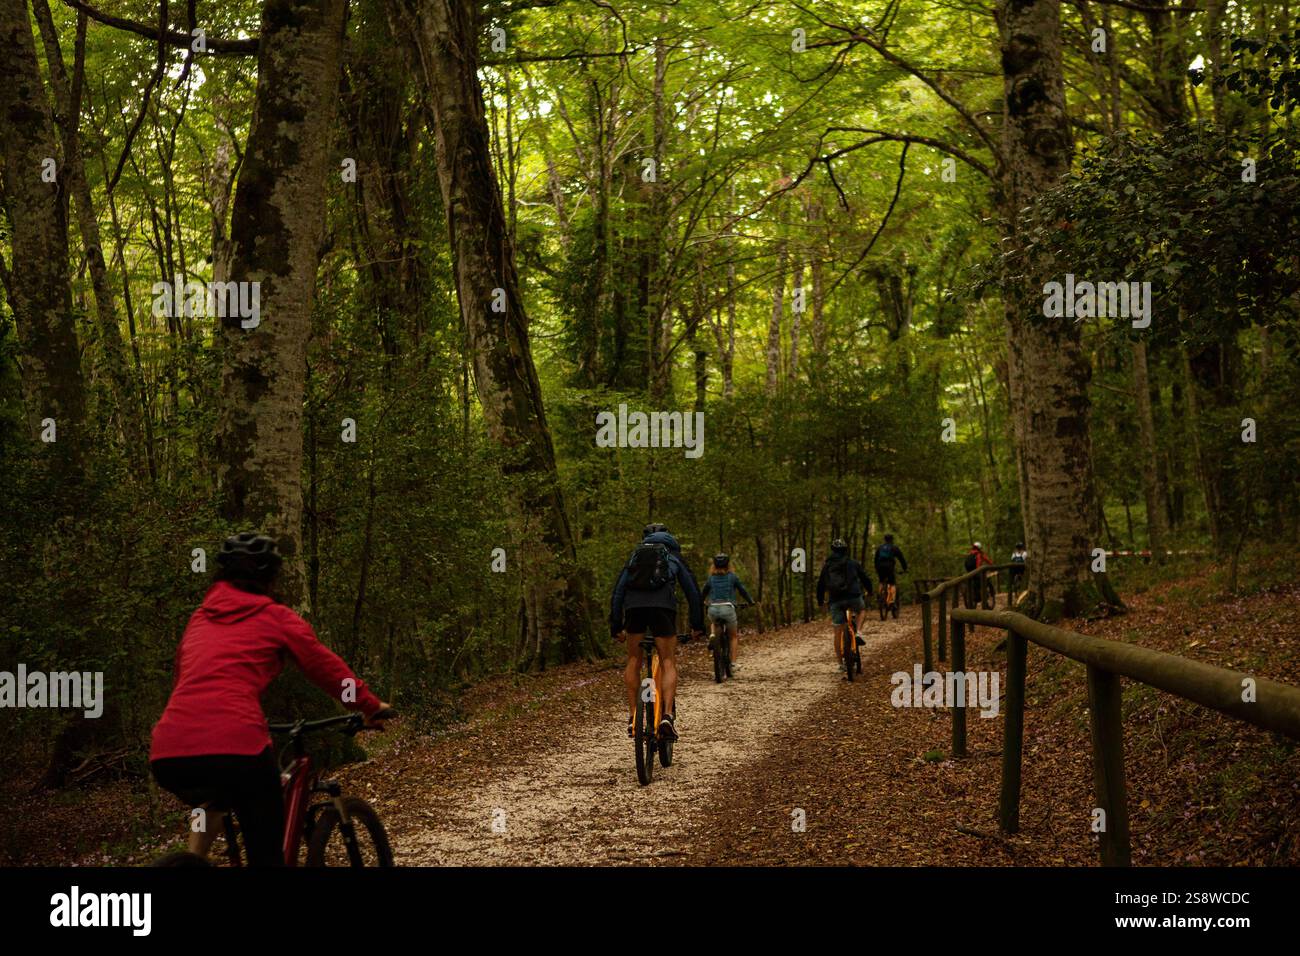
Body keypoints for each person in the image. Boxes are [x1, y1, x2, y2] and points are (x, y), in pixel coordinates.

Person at [150, 532, 392, 866]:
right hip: (236, 745)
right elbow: (325, 667)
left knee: (216, 798)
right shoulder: (275, 617)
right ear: (272, 578)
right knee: (266, 852)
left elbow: (183, 679)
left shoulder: (199, 618)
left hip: (169, 752)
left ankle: (192, 863)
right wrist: (368, 704)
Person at [609, 523, 705, 742]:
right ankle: (667, 717)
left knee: (634, 660)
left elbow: (618, 592)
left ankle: (634, 716)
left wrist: (616, 626)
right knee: (667, 661)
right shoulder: (673, 557)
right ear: (668, 536)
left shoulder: (635, 557)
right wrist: (697, 625)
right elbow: (692, 592)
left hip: (634, 609)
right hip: (663, 609)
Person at [816, 538, 873, 669]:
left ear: (832, 550)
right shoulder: (853, 563)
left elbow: (820, 585)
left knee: (838, 631)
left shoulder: (827, 566)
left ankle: (840, 664)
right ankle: (858, 632)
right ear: (846, 550)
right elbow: (865, 578)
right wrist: (870, 591)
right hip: (853, 596)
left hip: (835, 600)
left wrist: (820, 601)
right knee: (861, 610)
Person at [701, 553, 754, 673]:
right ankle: (733, 664)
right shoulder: (732, 577)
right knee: (733, 636)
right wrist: (750, 601)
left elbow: (703, 593)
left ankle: (713, 635)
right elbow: (743, 590)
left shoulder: (711, 578)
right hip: (728, 608)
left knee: (713, 621)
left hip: (713, 608)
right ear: (728, 565)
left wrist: (702, 602)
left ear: (714, 565)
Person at [872, 533, 909, 605]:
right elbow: (901, 559)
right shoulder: (894, 548)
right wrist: (905, 568)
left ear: (884, 539)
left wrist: (876, 568)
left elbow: (875, 559)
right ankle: (892, 601)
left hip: (880, 566)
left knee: (881, 581)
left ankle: (879, 596)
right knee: (892, 583)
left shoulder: (880, 548)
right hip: (889, 567)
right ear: (892, 540)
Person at [963, 541, 994, 608]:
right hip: (977, 573)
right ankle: (985, 601)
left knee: (975, 584)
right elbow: (988, 561)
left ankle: (974, 599)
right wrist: (992, 565)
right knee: (985, 581)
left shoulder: (970, 553)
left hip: (970, 573)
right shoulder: (980, 554)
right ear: (979, 548)